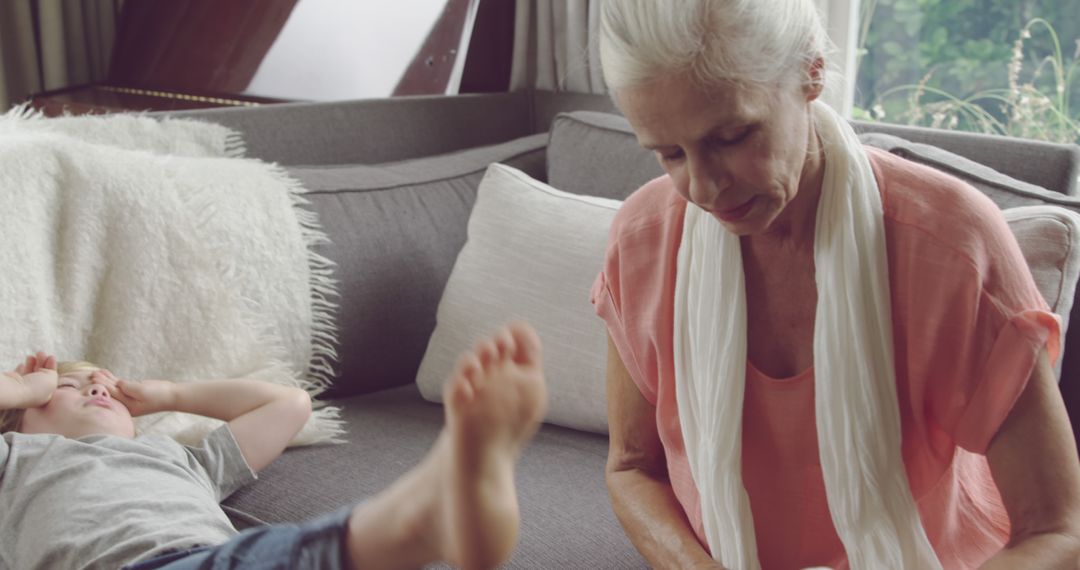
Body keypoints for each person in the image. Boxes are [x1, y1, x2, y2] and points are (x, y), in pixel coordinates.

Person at [591, 1, 1080, 569]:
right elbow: (631, 467)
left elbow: (1059, 528)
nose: (703, 188)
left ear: (811, 72)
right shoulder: (642, 241)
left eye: (731, 136)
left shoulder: (955, 246)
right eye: (669, 153)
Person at [0, 322, 547, 570]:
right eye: (70, 385)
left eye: (107, 384)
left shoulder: (179, 461)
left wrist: (172, 393)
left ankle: (428, 514)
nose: (98, 386)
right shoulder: (17, 461)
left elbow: (289, 406)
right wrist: (23, 386)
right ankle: (415, 521)